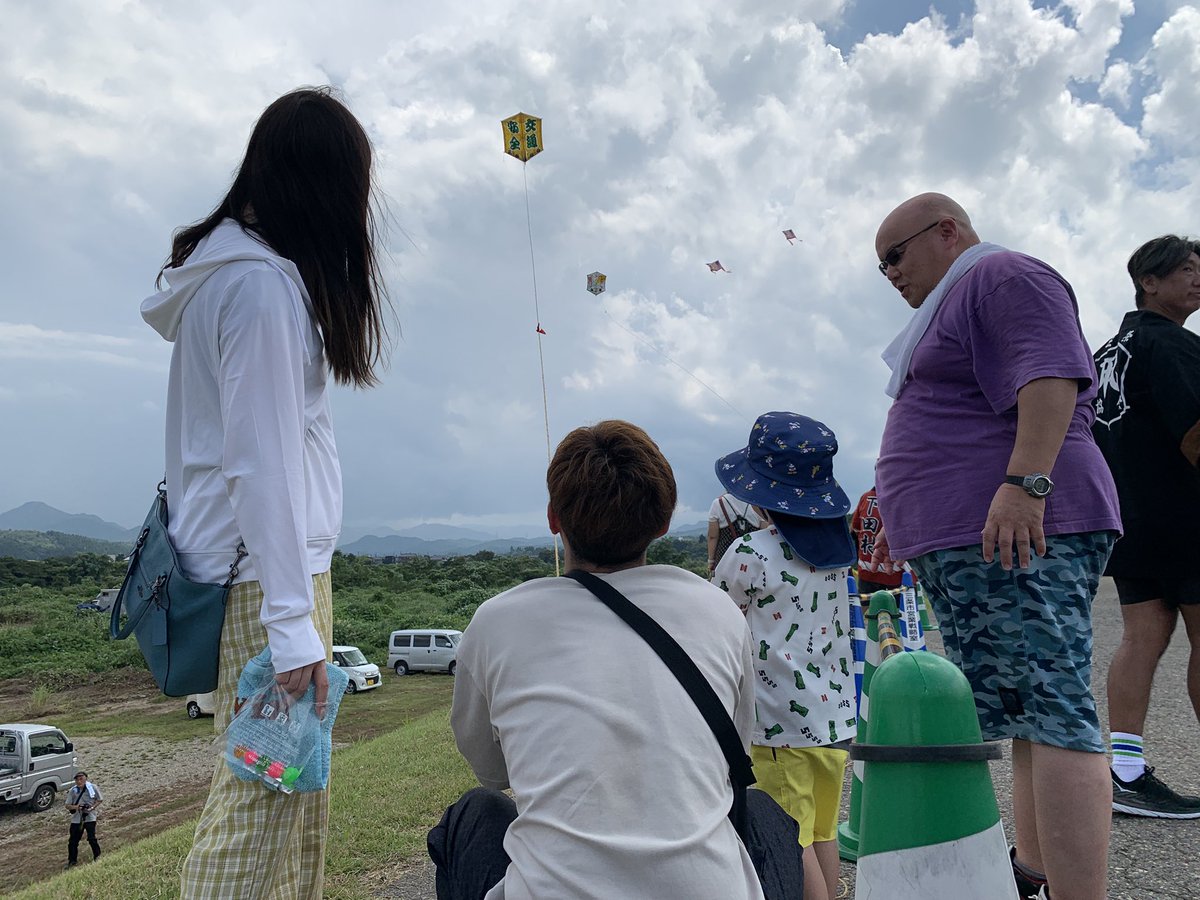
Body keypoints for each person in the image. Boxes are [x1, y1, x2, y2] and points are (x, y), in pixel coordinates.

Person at [141, 87, 390, 899]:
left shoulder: (232, 272)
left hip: (259, 581)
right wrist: (291, 629)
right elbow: (260, 463)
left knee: (290, 822)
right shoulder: (259, 290)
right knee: (253, 821)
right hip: (265, 594)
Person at [428, 420, 804, 900]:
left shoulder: (495, 623)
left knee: (475, 811)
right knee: (764, 812)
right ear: (664, 522)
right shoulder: (718, 611)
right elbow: (735, 757)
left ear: (553, 519)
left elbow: (492, 773)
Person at [870, 193, 1121, 900]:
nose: (889, 273)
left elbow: (1051, 376)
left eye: (895, 254)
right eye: (879, 265)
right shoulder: (955, 299)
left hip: (1019, 524)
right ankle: (1037, 873)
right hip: (974, 535)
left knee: (1056, 711)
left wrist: (1025, 483)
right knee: (1025, 713)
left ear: (947, 231)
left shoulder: (1001, 275)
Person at [713, 412, 857, 900]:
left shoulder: (749, 552)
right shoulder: (839, 553)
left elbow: (716, 620)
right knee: (822, 830)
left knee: (790, 836)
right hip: (834, 720)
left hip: (778, 727)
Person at [1091, 235, 1200, 818]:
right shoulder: (1175, 345)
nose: (1197, 278)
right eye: (1185, 269)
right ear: (1148, 282)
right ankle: (1126, 773)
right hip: (1186, 515)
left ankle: (1125, 770)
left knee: (1140, 639)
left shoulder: (1105, 353)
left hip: (1127, 518)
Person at [850, 485, 905, 595]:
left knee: (865, 605)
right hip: (895, 569)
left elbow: (854, 529)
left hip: (867, 567)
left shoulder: (865, 498)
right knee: (899, 608)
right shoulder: (900, 498)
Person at [707, 491, 767, 576]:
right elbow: (764, 533)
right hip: (753, 561)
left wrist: (711, 561)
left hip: (725, 559)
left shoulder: (718, 503)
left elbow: (712, 536)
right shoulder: (757, 503)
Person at [64, 771, 102, 868]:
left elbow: (99, 799)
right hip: (77, 819)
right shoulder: (73, 790)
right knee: (73, 841)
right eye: (77, 779)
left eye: (81, 779)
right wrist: (77, 807)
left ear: (86, 779)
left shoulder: (92, 788)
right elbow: (67, 805)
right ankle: (72, 861)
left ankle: (97, 856)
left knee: (91, 838)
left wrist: (92, 808)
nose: (79, 781)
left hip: (90, 817)